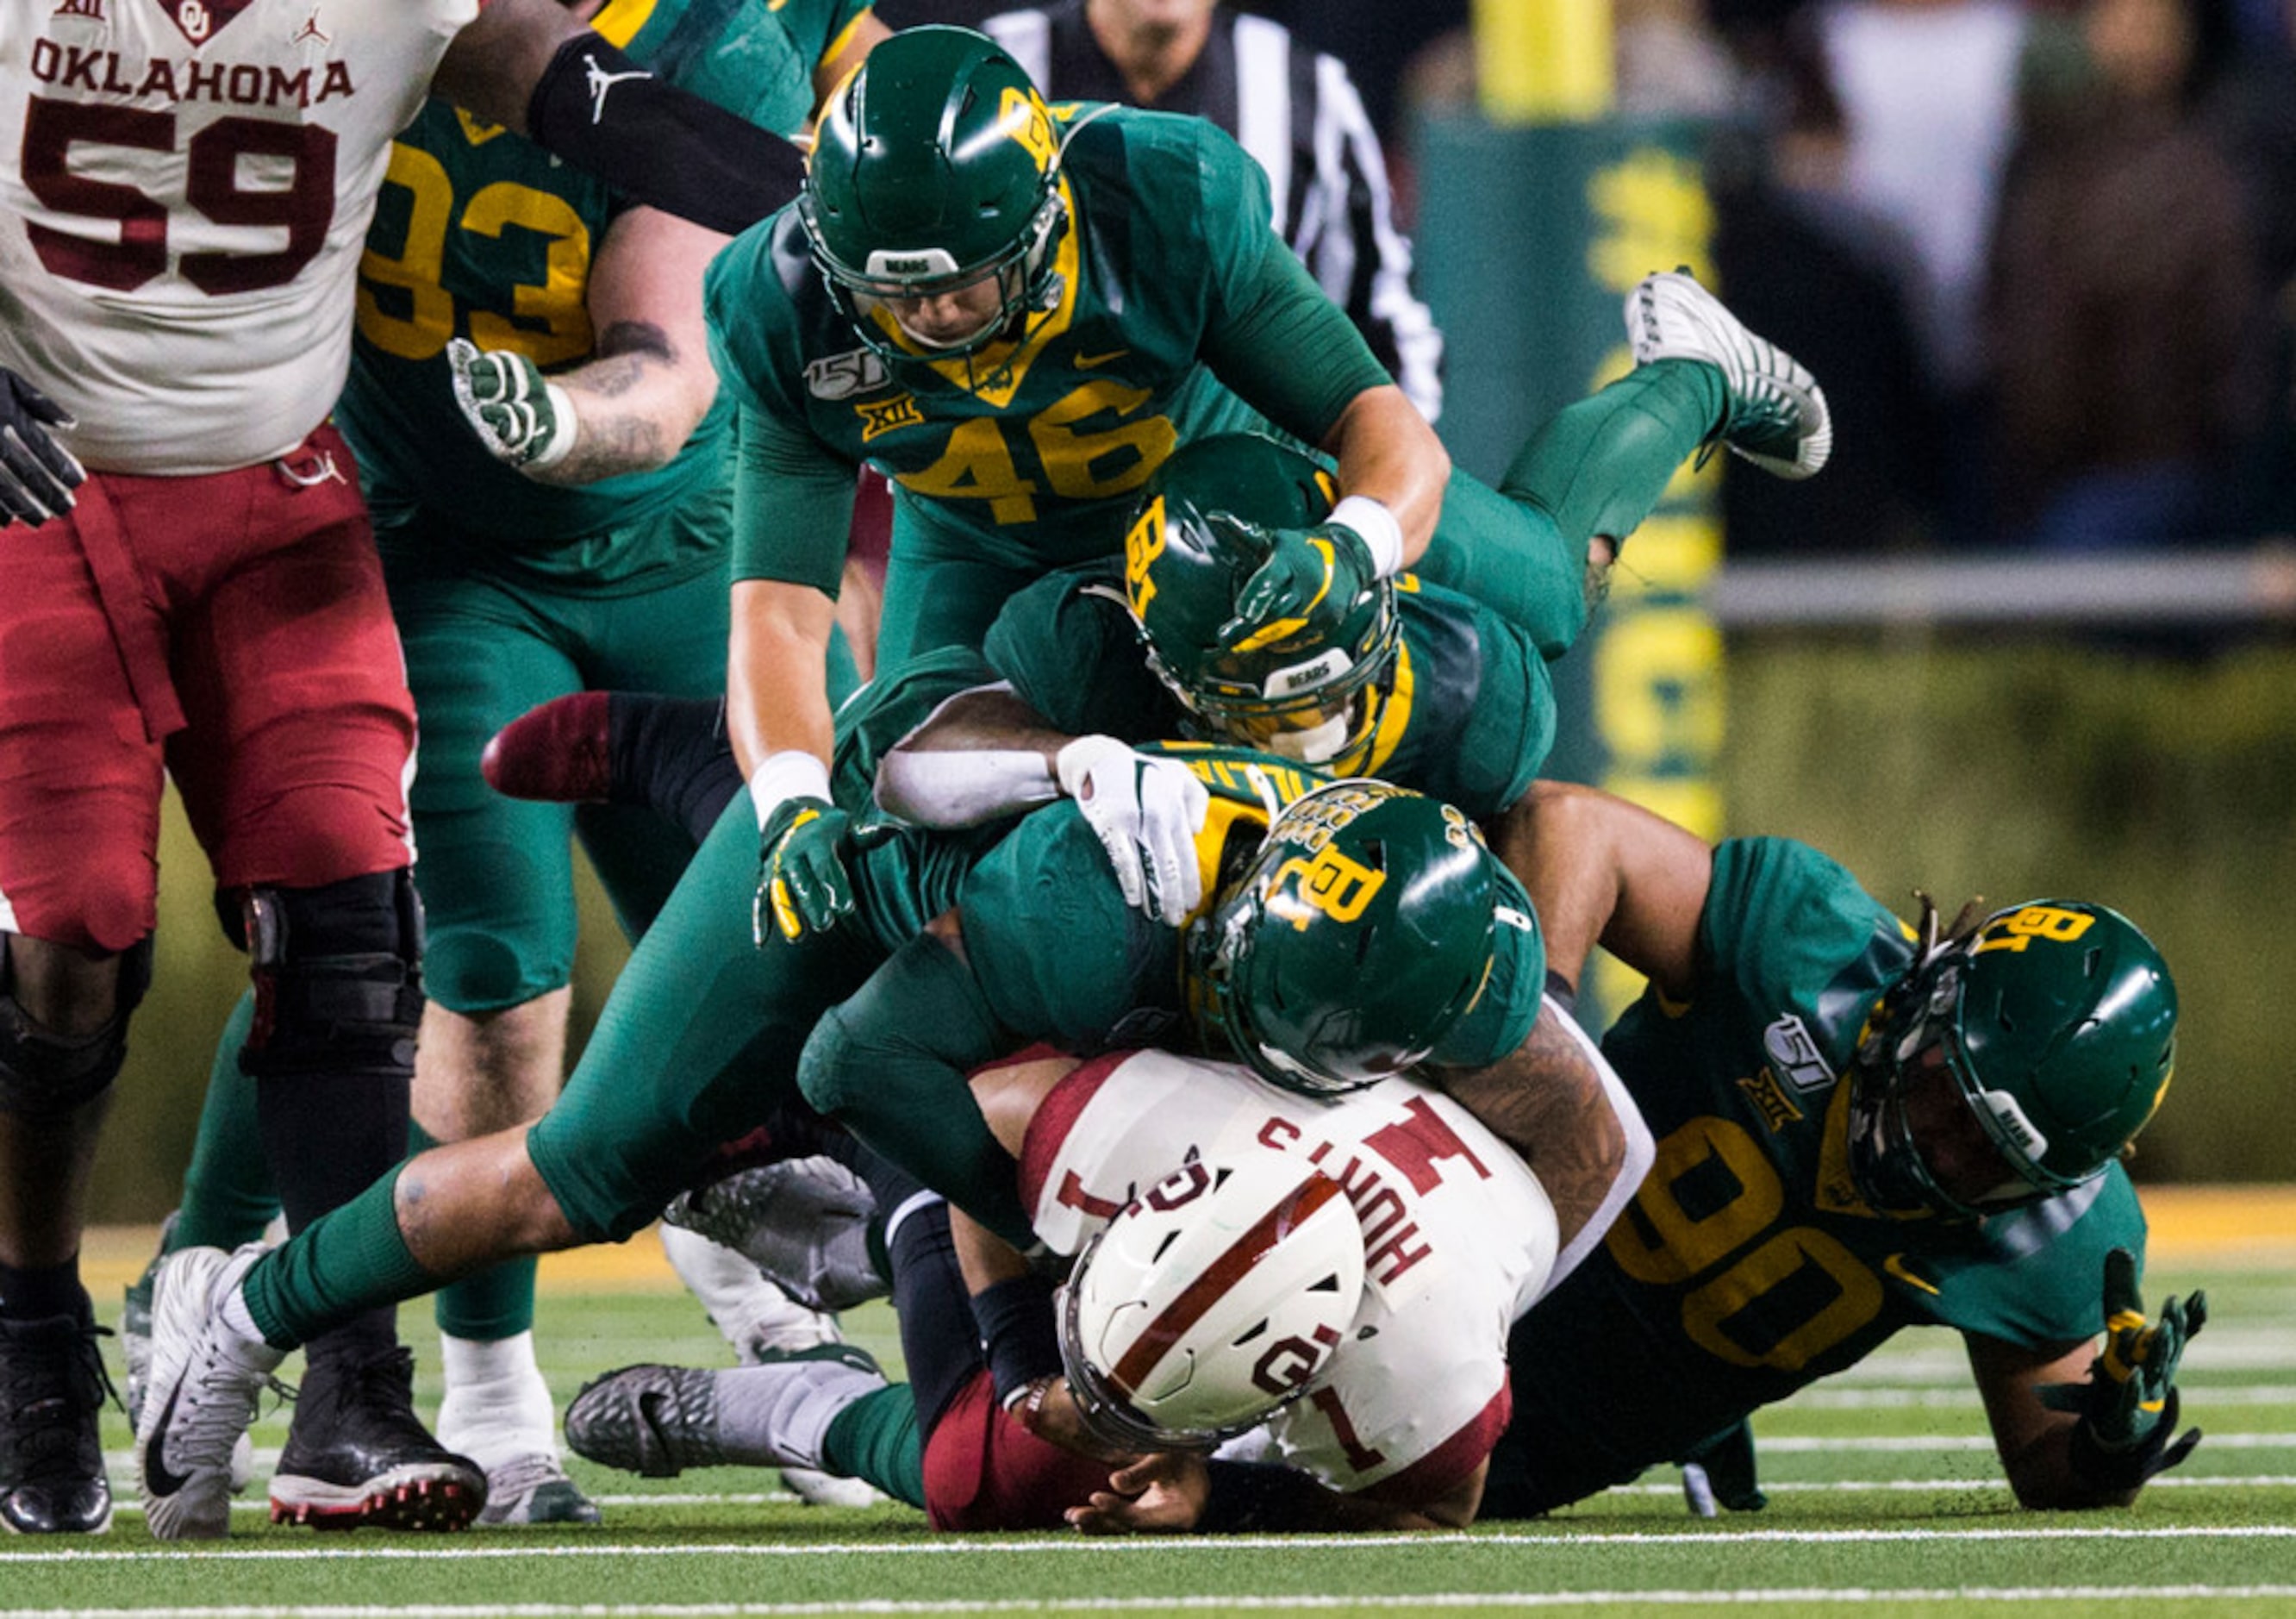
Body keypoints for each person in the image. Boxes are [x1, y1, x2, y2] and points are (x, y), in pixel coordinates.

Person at [130, 665, 1650, 1541]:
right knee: (576, 1171)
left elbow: (1593, 1137)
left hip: (977, 956)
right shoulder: (1088, 915)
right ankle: (247, 1303)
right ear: (1282, 998)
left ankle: (770, 1185)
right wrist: (1061, 1288)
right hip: (834, 917)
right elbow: (854, 1057)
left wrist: (1482, 1287)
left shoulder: (1404, 932)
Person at [0, 0, 815, 1540]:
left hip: (289, 479)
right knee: (72, 938)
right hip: (59, 474)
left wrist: (836, 205)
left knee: (353, 919)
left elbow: (602, 109)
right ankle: (32, 1326)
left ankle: (353, 1383)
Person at [1471, 780, 2206, 1516]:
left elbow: (2050, 1472)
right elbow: (1566, 824)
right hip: (1452, 1245)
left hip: (1536, 1451)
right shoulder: (1808, 949)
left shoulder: (2064, 1240)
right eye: (1946, 1094)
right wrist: (1536, 1038)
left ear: (2055, 1183)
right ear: (1931, 995)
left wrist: (2111, 1446)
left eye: (1990, 1161)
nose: (1936, 1150)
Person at [562, 1024, 1599, 1533]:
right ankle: (863, 1207)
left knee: (985, 1481)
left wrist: (1220, 1493)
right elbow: (968, 1125)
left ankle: (807, 1394)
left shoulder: (1420, 1377)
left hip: (1470, 1203)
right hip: (1189, 1049)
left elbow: (1432, 1515)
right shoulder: (1156, 1123)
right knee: (921, 1111)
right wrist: (1021, 1362)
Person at [979, 0, 1445, 420]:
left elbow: (1385, 325)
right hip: (1023, 480)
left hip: (1242, 482)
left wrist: (1381, 480)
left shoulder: (1309, 90)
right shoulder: (986, 75)